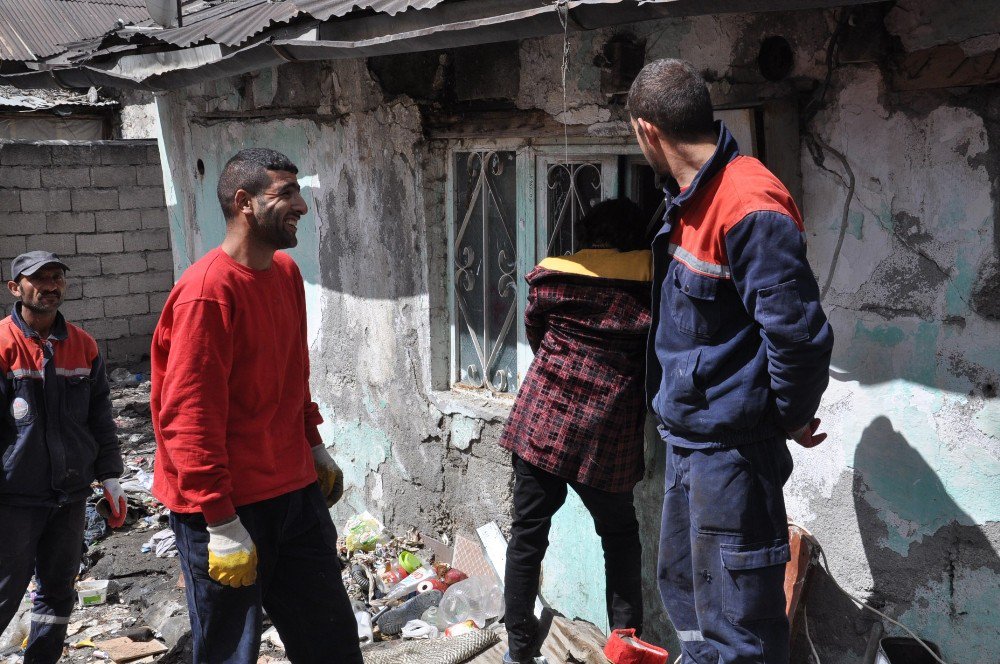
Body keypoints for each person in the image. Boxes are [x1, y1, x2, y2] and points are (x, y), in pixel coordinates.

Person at [627, 59, 834, 664]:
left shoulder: (748, 205)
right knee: (693, 616)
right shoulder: (689, 201)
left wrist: (787, 416)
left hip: (733, 457)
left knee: (739, 634)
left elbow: (798, 336)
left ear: (648, 132)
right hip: (691, 445)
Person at [150, 149, 360, 664]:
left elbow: (293, 374)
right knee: (230, 653)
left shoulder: (285, 273)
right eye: (285, 193)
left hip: (293, 492)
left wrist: (314, 446)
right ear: (244, 203)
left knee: (331, 640)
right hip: (225, 505)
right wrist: (220, 521)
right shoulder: (207, 292)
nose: (301, 206)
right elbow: (187, 417)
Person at [499, 199, 652, 664]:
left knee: (527, 537)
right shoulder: (652, 282)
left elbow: (536, 332)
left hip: (544, 419)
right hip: (608, 432)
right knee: (620, 539)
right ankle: (626, 652)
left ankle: (518, 652)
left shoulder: (554, 276)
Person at [0, 251, 126, 664]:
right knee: (5, 592)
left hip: (69, 495)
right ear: (15, 288)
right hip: (15, 498)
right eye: (39, 279)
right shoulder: (3, 345)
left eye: (57, 278)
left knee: (57, 592)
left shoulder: (84, 345)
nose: (51, 286)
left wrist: (109, 476)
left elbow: (100, 418)